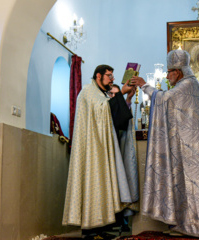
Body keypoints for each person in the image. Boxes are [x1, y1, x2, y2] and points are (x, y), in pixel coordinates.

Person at [130, 49, 199, 238]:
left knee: (190, 184)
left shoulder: (187, 84)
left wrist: (144, 85)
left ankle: (194, 226)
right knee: (184, 183)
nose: (167, 74)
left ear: (178, 71)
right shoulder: (190, 84)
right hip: (185, 144)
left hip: (189, 146)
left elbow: (164, 99)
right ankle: (184, 223)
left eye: (169, 71)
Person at [62, 65, 139, 237]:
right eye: (109, 76)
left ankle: (100, 229)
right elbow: (104, 110)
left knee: (102, 186)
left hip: (101, 149)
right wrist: (119, 93)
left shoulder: (100, 94)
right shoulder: (88, 91)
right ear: (99, 76)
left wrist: (126, 98)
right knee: (92, 184)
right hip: (91, 151)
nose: (112, 79)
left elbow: (115, 119)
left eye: (113, 76)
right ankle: (90, 231)